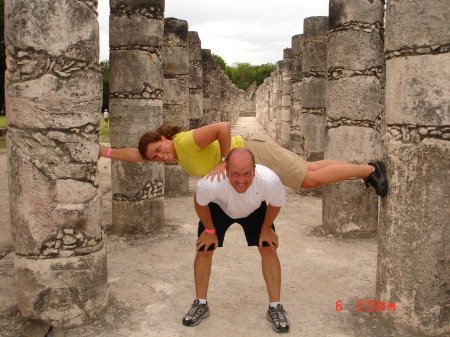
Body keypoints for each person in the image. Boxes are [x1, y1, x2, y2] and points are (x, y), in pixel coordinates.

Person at [98, 122, 388, 197]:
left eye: (159, 150)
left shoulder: (182, 143)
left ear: (163, 138)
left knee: (307, 180)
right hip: (251, 151)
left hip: (251, 150)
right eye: (156, 158)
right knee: (309, 168)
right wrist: (105, 151)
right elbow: (136, 155)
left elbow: (223, 127)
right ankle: (363, 167)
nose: (160, 157)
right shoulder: (175, 151)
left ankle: (368, 170)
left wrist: (225, 161)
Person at [183, 148, 289, 332]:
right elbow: (200, 201)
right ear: (226, 170)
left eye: (247, 174)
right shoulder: (210, 183)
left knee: (269, 249)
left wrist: (266, 229)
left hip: (255, 209)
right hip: (218, 208)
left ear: (255, 170)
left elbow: (276, 203)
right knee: (204, 250)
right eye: (235, 174)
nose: (241, 181)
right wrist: (209, 230)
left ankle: (275, 306)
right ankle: (201, 304)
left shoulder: (269, 180)